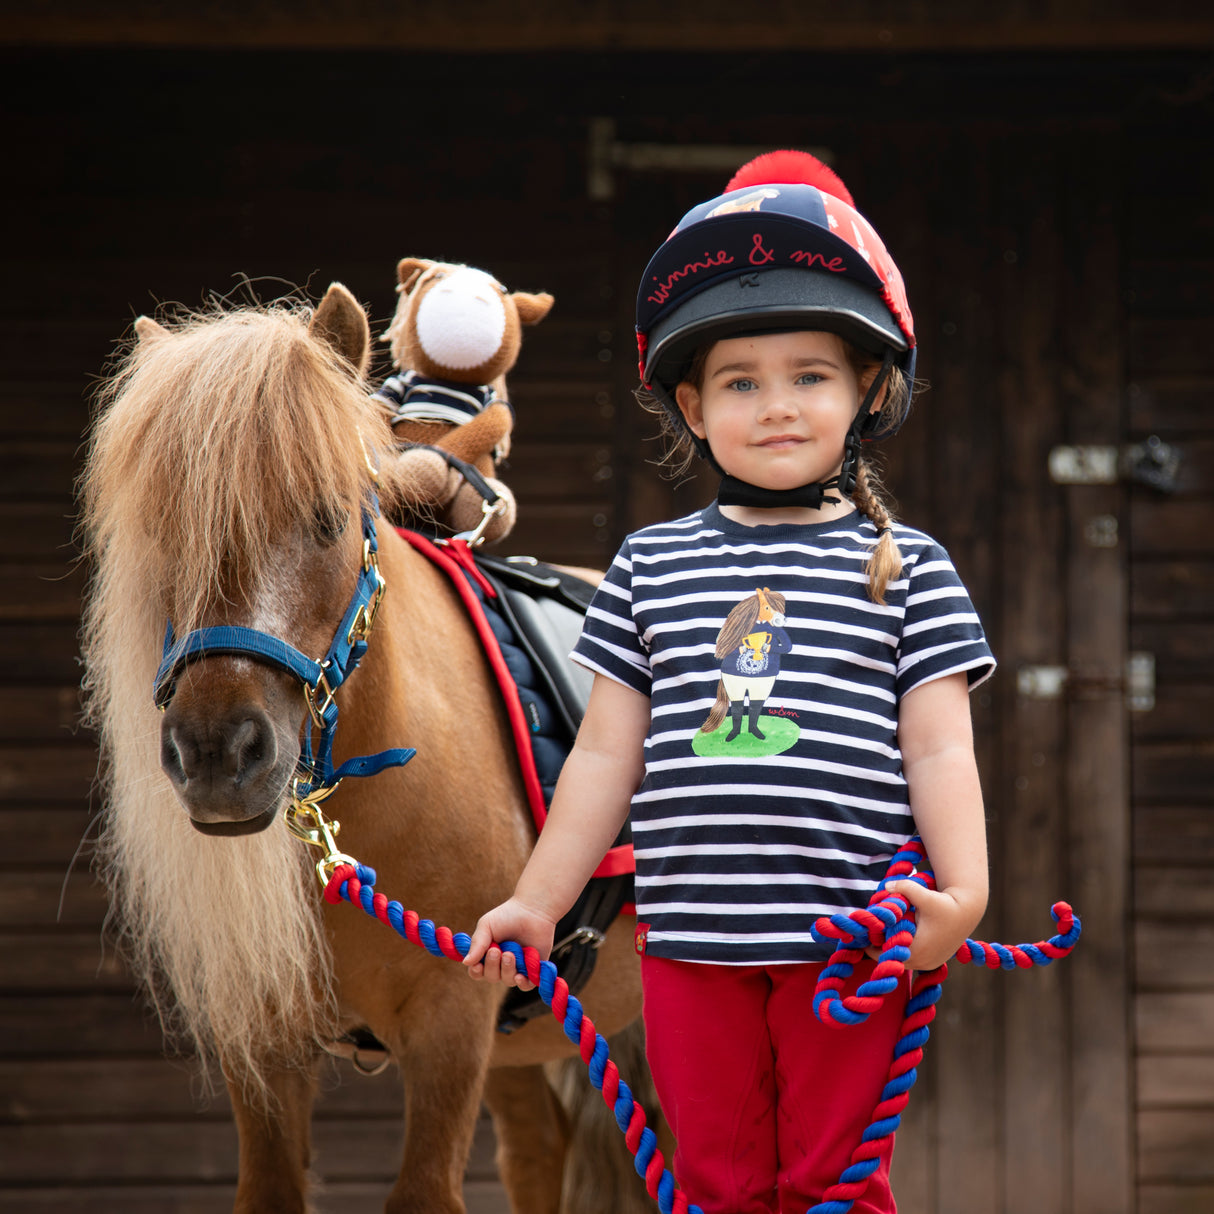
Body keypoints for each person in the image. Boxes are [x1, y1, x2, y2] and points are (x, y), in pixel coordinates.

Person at [464, 149, 994, 1214]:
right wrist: (536, 898)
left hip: (848, 939)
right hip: (689, 942)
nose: (777, 403)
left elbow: (937, 746)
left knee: (829, 1183)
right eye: (740, 381)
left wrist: (964, 893)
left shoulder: (910, 568)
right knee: (714, 1179)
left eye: (809, 374)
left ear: (865, 391)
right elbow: (606, 756)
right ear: (693, 409)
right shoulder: (650, 567)